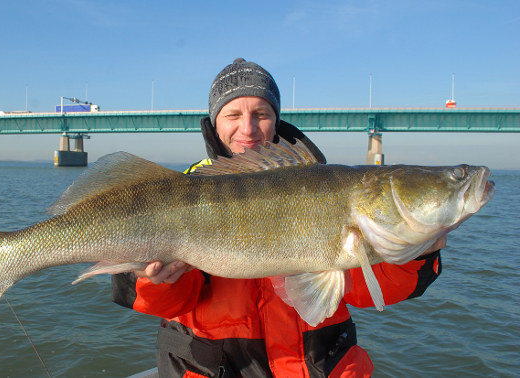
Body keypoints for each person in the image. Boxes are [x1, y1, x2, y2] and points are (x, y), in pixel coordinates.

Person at [112, 58, 445, 377]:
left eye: (261, 113)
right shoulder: (181, 192)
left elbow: (369, 290)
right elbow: (164, 302)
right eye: (232, 114)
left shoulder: (331, 188)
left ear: (276, 118)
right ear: (215, 121)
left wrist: (420, 251)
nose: (248, 128)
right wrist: (153, 280)